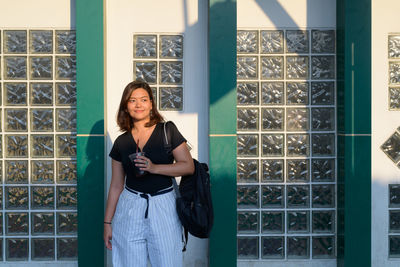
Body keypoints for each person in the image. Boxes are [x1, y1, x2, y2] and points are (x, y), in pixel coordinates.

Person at [103, 80, 194, 267]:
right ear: (125, 106)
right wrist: (107, 223)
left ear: (151, 104)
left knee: (168, 263)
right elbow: (116, 185)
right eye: (132, 100)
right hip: (130, 207)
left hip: (163, 205)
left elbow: (188, 166)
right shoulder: (121, 142)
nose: (139, 105)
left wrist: (154, 168)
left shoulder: (167, 130)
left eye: (144, 100)